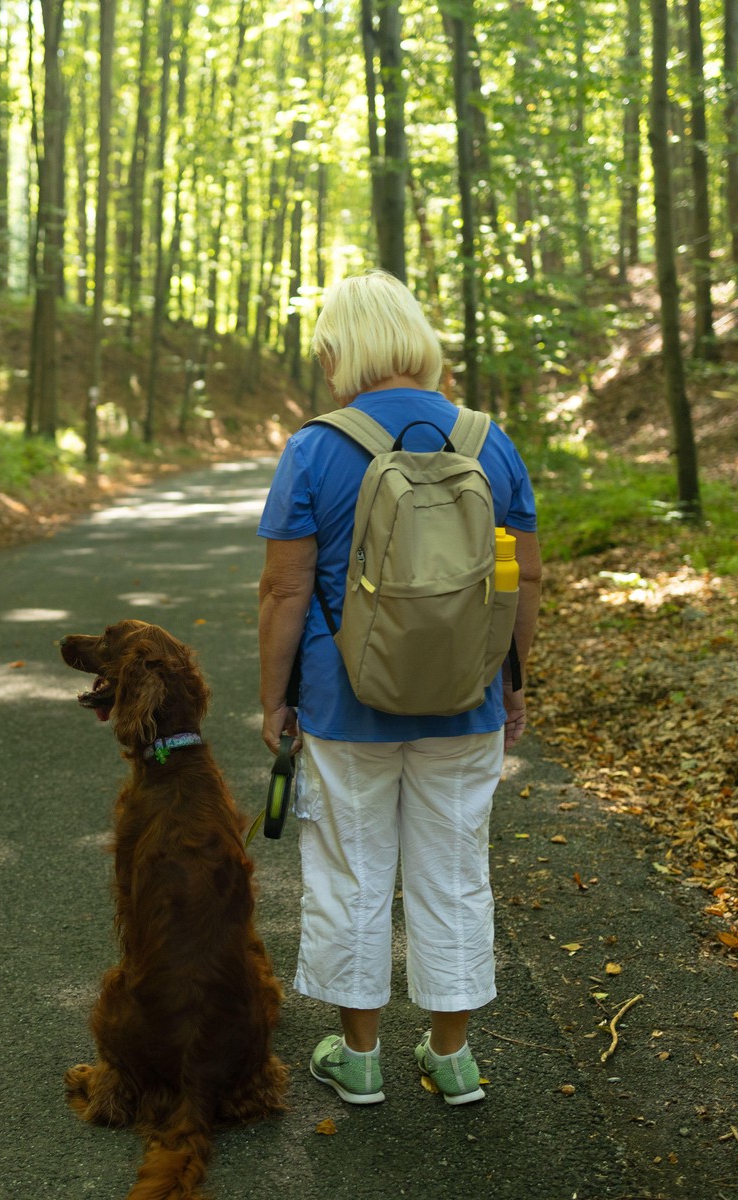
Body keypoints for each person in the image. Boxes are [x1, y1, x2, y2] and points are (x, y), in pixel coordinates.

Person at [256, 269, 542, 1107]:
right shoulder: (489, 440)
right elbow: (524, 577)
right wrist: (513, 682)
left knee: (350, 870)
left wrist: (276, 699)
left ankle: (361, 1057)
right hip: (466, 698)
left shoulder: (316, 445)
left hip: (346, 702)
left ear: (341, 348)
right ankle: (451, 1059)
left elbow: (284, 591)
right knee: (454, 868)